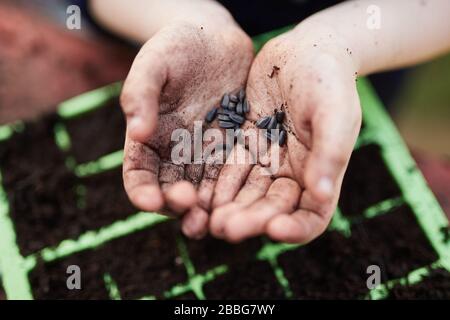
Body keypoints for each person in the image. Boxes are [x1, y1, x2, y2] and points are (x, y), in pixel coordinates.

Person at [88, 0, 450, 243]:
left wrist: (334, 45)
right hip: (152, 49)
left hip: (366, 54)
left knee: (336, 144)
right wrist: (185, 18)